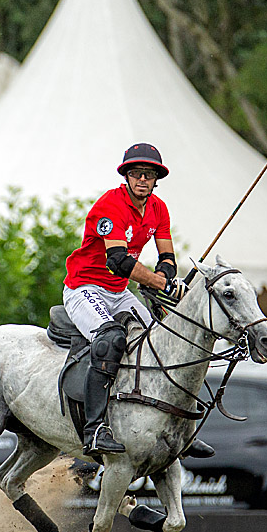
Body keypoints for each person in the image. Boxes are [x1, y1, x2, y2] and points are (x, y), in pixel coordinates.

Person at [63, 143, 213, 459]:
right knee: (110, 340)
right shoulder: (109, 206)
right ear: (127, 176)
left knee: (162, 341)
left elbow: (167, 256)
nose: (142, 179)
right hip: (84, 286)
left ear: (156, 178)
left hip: (119, 292)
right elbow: (117, 260)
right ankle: (94, 430)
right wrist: (159, 283)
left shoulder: (158, 208)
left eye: (149, 174)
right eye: (136, 173)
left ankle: (181, 430)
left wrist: (167, 278)